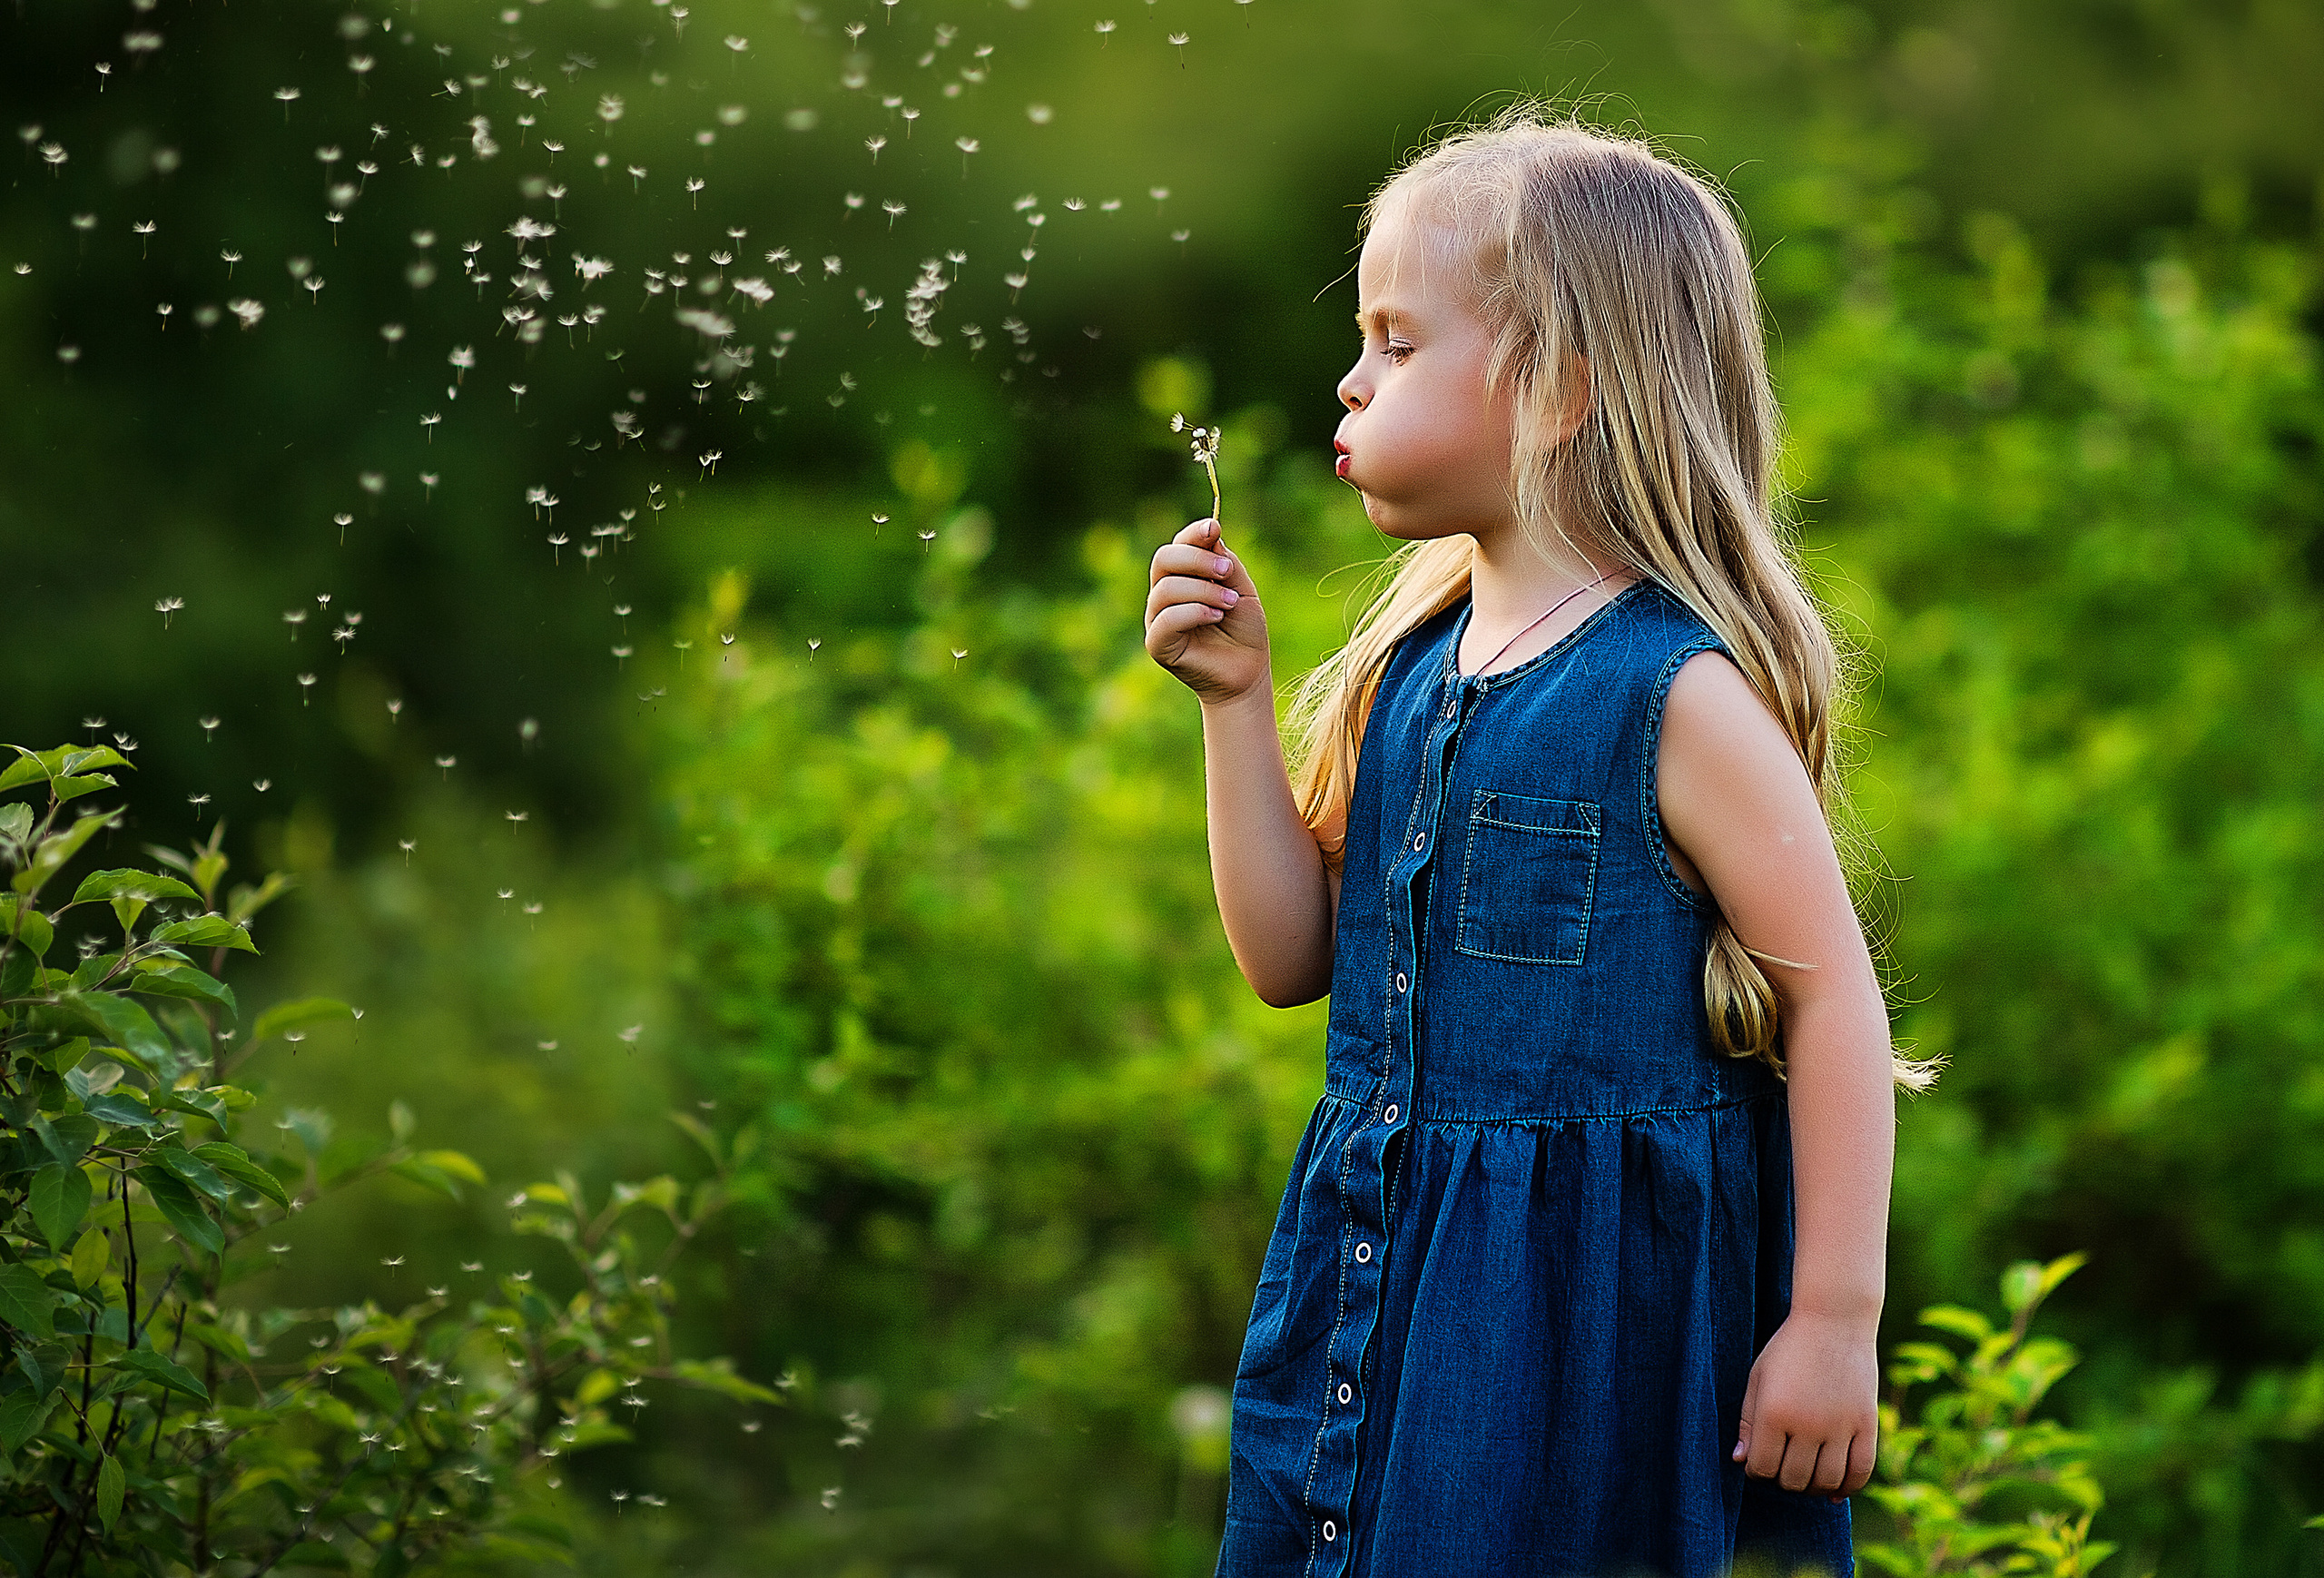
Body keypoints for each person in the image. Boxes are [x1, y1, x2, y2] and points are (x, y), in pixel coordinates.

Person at [1142, 112, 1936, 1578]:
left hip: (1588, 1330)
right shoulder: (1410, 665)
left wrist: (1833, 1320)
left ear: (1562, 387)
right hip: (1381, 1287)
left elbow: (1834, 1003)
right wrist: (1237, 703)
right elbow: (1288, 957)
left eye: (1394, 340)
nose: (1349, 377)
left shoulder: (1671, 692)